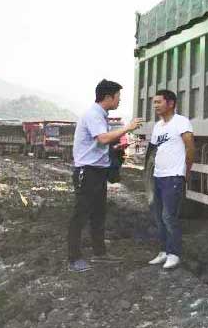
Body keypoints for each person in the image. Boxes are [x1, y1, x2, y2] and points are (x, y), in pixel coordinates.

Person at [68, 79, 142, 273]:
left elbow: (100, 143)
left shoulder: (101, 115)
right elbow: (102, 138)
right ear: (108, 97)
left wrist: (116, 147)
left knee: (98, 214)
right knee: (80, 215)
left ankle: (100, 254)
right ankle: (74, 259)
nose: (119, 101)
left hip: (98, 171)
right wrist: (128, 128)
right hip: (88, 172)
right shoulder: (94, 114)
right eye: (118, 97)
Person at [147, 89, 195, 270]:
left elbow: (190, 148)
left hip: (173, 177)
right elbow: (155, 149)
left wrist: (185, 171)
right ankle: (163, 252)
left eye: (159, 102)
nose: (155, 106)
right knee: (159, 215)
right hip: (158, 176)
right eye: (154, 102)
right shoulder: (158, 126)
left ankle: (174, 254)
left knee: (169, 216)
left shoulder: (181, 122)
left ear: (171, 103)